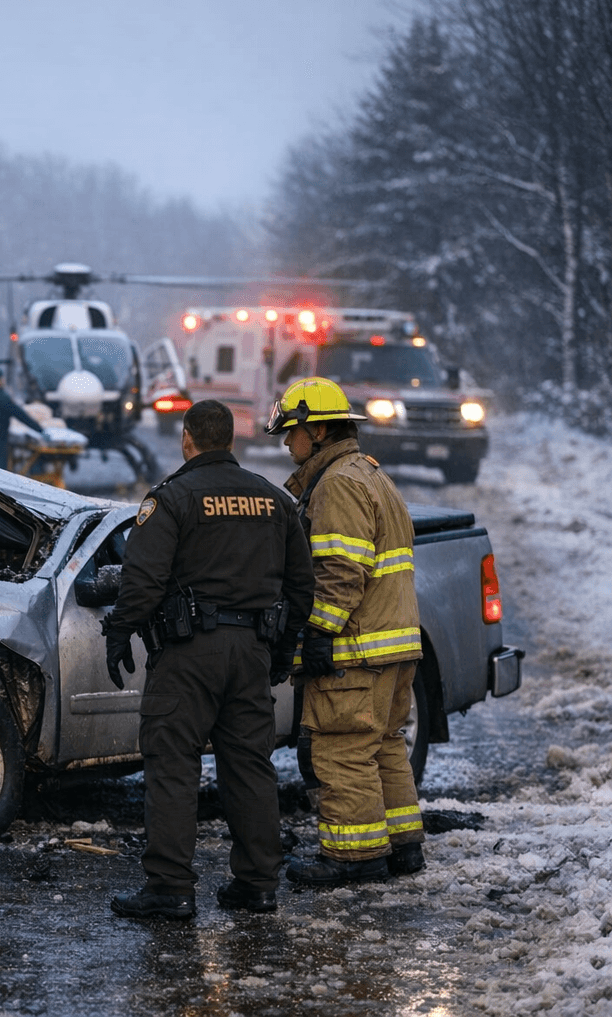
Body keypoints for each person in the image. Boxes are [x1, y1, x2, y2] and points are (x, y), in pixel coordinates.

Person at [105, 399, 314, 919]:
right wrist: (280, 652)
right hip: (251, 654)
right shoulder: (274, 501)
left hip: (187, 656)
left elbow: (143, 580)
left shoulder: (171, 500)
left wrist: (118, 633)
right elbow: (302, 588)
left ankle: (170, 888)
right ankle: (258, 884)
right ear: (232, 440)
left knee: (173, 766)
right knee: (249, 768)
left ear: (187, 439)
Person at [266, 376, 426, 887]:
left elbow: (339, 572)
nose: (286, 443)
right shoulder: (372, 474)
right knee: (383, 745)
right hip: (395, 643)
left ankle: (353, 856)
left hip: (356, 647)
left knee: (342, 749)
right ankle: (403, 847)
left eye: (291, 432)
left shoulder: (336, 485)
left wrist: (317, 634)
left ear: (316, 431)